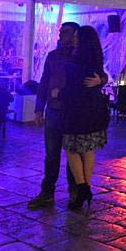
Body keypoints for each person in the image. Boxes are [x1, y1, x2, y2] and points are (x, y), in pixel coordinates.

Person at [27, 23, 104, 209]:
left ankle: (76, 191)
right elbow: (45, 82)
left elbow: (98, 73)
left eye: (65, 32)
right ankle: (47, 192)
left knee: (75, 151)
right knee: (52, 154)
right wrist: (39, 108)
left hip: (73, 111)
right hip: (54, 110)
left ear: (75, 35)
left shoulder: (82, 55)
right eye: (60, 32)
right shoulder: (53, 56)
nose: (60, 35)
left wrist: (102, 80)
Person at [62, 25, 110, 212]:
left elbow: (73, 88)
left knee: (72, 149)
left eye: (75, 36)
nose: (73, 39)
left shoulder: (75, 63)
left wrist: (60, 93)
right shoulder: (95, 60)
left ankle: (82, 188)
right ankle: (86, 186)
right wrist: (102, 81)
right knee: (88, 150)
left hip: (77, 111)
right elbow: (99, 78)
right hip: (93, 111)